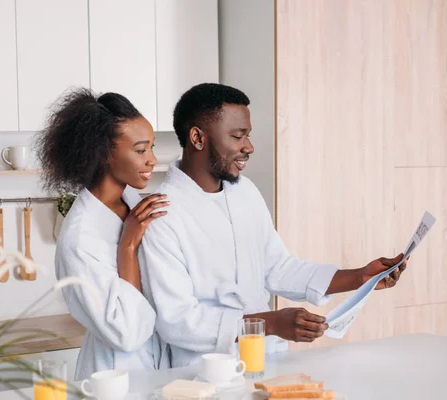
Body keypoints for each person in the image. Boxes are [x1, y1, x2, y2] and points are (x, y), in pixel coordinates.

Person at [139, 83, 408, 368]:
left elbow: (278, 268)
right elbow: (178, 321)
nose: (249, 147)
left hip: (268, 361)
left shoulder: (244, 192)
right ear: (197, 138)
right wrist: (269, 324)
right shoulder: (162, 214)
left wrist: (359, 278)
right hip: (206, 374)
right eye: (237, 136)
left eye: (248, 135)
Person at [36, 88, 169, 379]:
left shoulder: (135, 206)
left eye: (151, 147)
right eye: (140, 150)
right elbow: (127, 332)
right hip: (112, 377)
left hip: (159, 368)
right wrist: (128, 247)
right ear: (104, 153)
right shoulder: (80, 239)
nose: (152, 160)